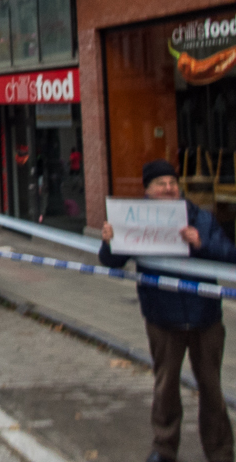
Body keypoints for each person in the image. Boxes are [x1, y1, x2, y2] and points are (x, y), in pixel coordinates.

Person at [100, 159, 236, 462]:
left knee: (212, 391)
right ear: (147, 190)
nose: (168, 188)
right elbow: (112, 262)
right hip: (163, 318)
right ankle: (163, 449)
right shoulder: (135, 220)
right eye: (160, 184)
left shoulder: (200, 218)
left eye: (172, 183)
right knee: (166, 388)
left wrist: (202, 243)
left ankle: (221, 452)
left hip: (205, 318)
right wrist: (109, 242)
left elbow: (229, 254)